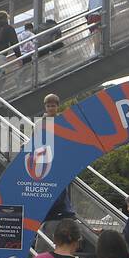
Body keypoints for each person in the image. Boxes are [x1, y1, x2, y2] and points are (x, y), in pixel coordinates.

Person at [37, 94, 77, 223]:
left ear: (57, 106)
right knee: (48, 183)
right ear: (45, 107)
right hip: (45, 155)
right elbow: (36, 139)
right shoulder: (40, 122)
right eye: (48, 106)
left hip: (59, 156)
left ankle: (64, 209)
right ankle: (51, 209)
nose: (51, 108)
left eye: (53, 106)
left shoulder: (62, 120)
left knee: (60, 182)